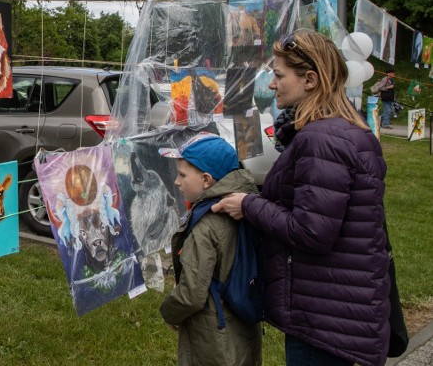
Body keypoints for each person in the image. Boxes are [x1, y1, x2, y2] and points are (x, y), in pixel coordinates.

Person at [213, 30, 390, 366]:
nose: (272, 84)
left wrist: (248, 205)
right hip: (340, 305)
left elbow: (312, 231)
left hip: (324, 316)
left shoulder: (320, 140)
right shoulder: (345, 130)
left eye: (279, 76)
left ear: (309, 79)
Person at [158, 133, 262, 366]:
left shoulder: (205, 226)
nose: (177, 181)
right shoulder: (245, 207)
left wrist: (169, 312)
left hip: (212, 338)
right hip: (242, 326)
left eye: (182, 175)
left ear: (206, 180)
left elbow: (192, 294)